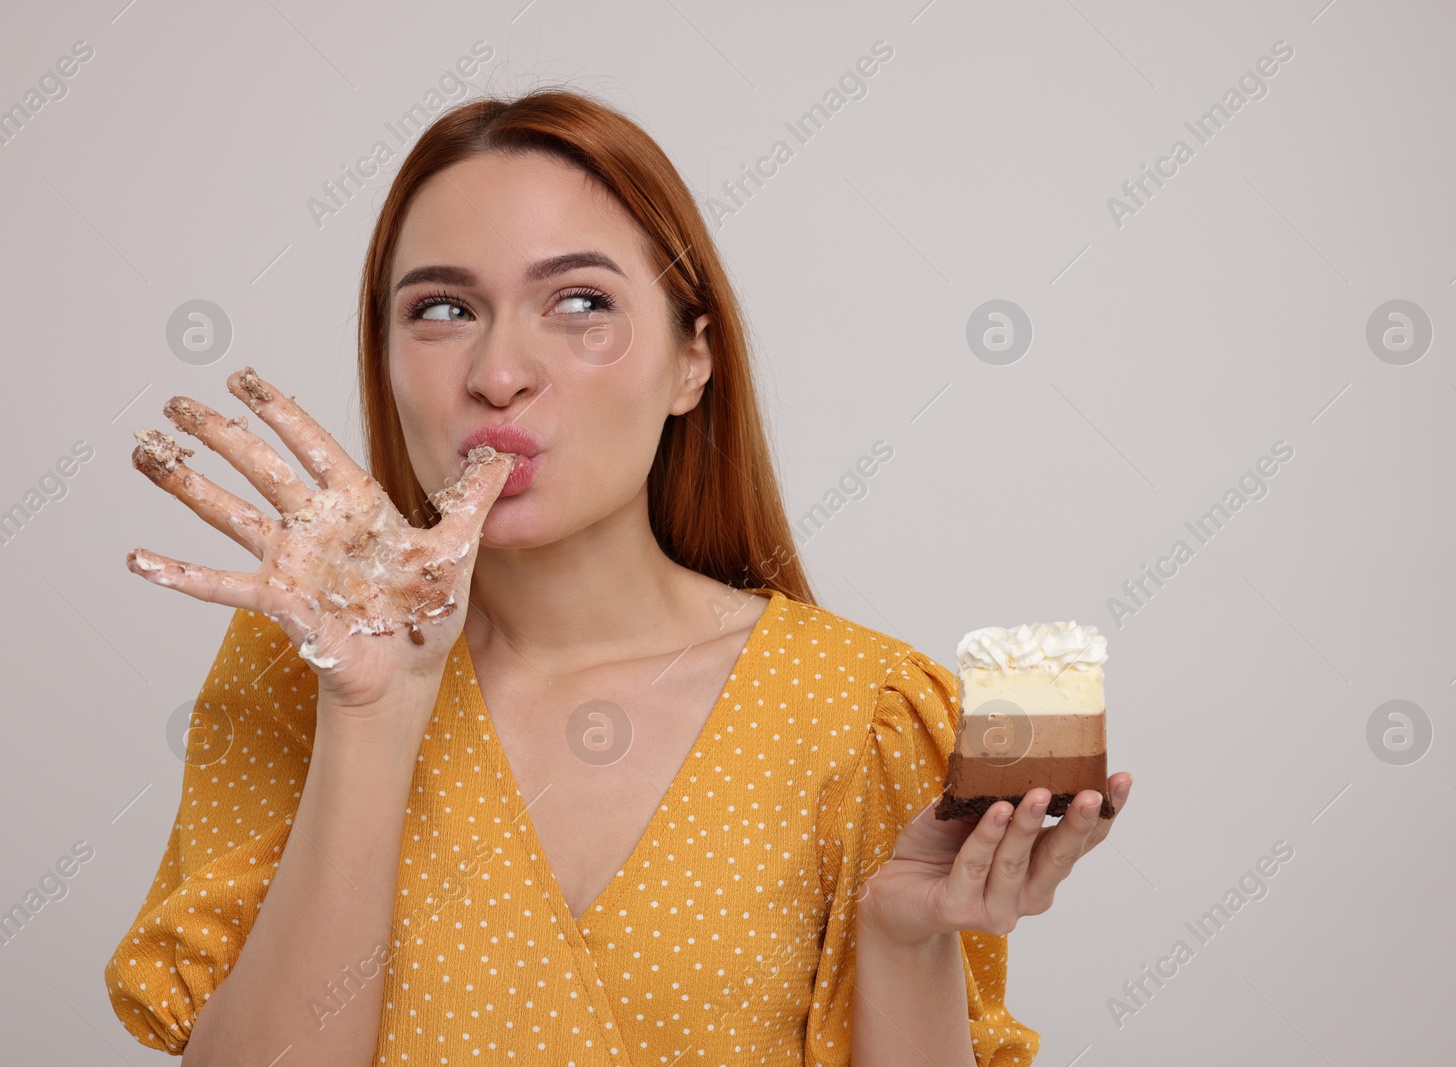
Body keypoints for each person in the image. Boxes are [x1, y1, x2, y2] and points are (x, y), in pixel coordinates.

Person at [103, 87, 1132, 1066]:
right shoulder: (304, 670)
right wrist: (373, 712)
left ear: (693, 358)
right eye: (442, 309)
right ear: (383, 355)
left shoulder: (864, 713)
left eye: (580, 301)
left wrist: (905, 939)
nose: (498, 371)